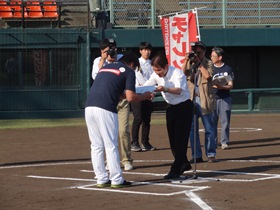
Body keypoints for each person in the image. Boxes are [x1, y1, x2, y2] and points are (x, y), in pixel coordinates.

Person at [85, 52, 153, 188]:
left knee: (96, 145)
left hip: (89, 107)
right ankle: (116, 179)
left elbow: (114, 91)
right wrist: (145, 96)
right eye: (135, 68)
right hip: (106, 108)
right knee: (111, 145)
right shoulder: (128, 71)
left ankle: (101, 178)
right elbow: (130, 97)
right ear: (132, 64)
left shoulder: (105, 68)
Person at [144, 52, 193, 179]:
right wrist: (150, 92)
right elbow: (147, 86)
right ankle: (184, 163)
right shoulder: (155, 75)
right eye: (154, 70)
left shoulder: (177, 73)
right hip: (171, 107)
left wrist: (164, 89)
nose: (157, 73)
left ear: (166, 67)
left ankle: (175, 169)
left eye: (159, 70)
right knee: (172, 140)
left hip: (184, 106)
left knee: (180, 139)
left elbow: (178, 90)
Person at [91, 38, 133, 171]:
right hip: (107, 102)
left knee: (123, 130)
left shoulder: (122, 59)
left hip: (122, 100)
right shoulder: (98, 61)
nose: (111, 51)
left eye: (113, 48)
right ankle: (111, 161)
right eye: (108, 49)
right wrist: (104, 60)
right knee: (108, 133)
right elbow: (96, 77)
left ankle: (126, 159)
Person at [181, 41, 217, 163]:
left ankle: (211, 153)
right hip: (191, 100)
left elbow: (208, 76)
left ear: (204, 52)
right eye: (195, 52)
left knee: (209, 129)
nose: (197, 54)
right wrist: (187, 60)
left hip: (204, 101)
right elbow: (183, 73)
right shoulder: (190, 63)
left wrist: (199, 63)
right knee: (192, 130)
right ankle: (196, 155)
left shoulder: (209, 63)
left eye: (199, 52)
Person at [130, 42, 155, 152]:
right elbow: (135, 77)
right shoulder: (136, 63)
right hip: (137, 93)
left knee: (146, 120)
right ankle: (134, 142)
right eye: (144, 50)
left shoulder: (152, 63)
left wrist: (152, 91)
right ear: (140, 51)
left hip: (148, 94)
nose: (147, 52)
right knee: (138, 118)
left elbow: (155, 78)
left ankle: (145, 142)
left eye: (148, 49)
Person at [211, 47, 234, 150]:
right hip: (213, 98)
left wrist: (221, 87)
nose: (211, 57)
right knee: (212, 122)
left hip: (225, 98)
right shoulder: (210, 68)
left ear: (220, 57)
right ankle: (213, 141)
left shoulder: (227, 69)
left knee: (225, 121)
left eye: (213, 56)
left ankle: (224, 142)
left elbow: (230, 85)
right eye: (211, 56)